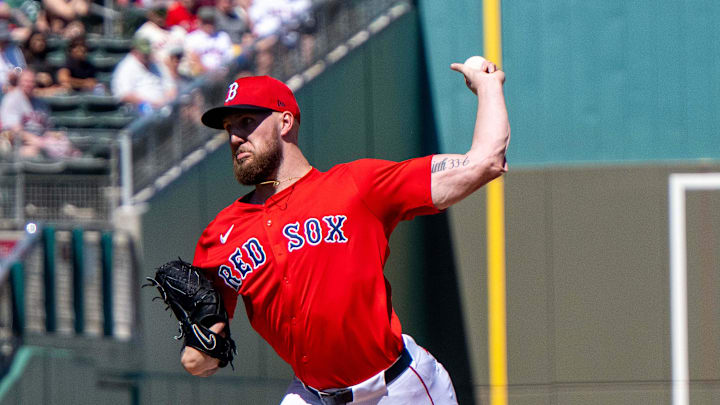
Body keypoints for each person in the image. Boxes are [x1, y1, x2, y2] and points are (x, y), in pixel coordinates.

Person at [180, 56, 509, 404]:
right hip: (311, 395)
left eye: (247, 121)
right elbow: (201, 358)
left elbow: (484, 162)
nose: (235, 136)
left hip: (396, 388)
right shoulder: (220, 235)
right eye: (230, 127)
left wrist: (488, 87)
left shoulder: (357, 186)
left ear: (285, 122)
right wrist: (198, 349)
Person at [0, 69, 78, 158]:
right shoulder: (12, 99)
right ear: (19, 82)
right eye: (26, 81)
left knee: (66, 146)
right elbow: (14, 131)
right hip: (17, 145)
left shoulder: (41, 103)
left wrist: (55, 136)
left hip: (41, 141)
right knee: (37, 152)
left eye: (31, 82)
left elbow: (47, 129)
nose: (29, 84)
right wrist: (38, 141)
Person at [111, 35, 176, 113]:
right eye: (143, 52)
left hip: (164, 109)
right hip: (140, 112)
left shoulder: (156, 64)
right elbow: (124, 95)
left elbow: (170, 85)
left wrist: (169, 100)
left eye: (147, 52)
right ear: (134, 51)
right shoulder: (126, 67)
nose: (146, 55)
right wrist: (154, 103)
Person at [184, 6, 234, 75]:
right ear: (199, 22)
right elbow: (193, 60)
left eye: (211, 22)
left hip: (222, 74)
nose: (208, 25)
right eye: (205, 22)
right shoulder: (191, 38)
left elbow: (229, 58)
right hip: (201, 76)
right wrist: (207, 72)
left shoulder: (223, 36)